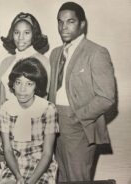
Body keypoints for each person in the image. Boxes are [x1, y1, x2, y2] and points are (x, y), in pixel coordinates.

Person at [48, 2, 116, 182]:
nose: (64, 27)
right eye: (60, 22)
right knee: (61, 177)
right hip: (54, 124)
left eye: (70, 21)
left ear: (82, 24)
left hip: (79, 125)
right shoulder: (55, 53)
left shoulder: (96, 52)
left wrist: (78, 116)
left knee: (78, 179)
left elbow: (106, 97)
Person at [0, 11, 50, 161]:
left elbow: (44, 101)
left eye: (26, 33)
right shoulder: (6, 62)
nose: (21, 37)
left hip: (31, 126)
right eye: (17, 32)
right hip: (7, 124)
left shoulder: (43, 61)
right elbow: (0, 100)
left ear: (34, 34)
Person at [0, 57, 59, 184]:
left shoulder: (48, 109)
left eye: (29, 84)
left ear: (36, 86)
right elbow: (8, 150)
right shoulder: (5, 109)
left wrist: (30, 181)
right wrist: (18, 177)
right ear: (13, 84)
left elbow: (47, 154)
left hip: (41, 166)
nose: (22, 89)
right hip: (14, 165)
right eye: (18, 82)